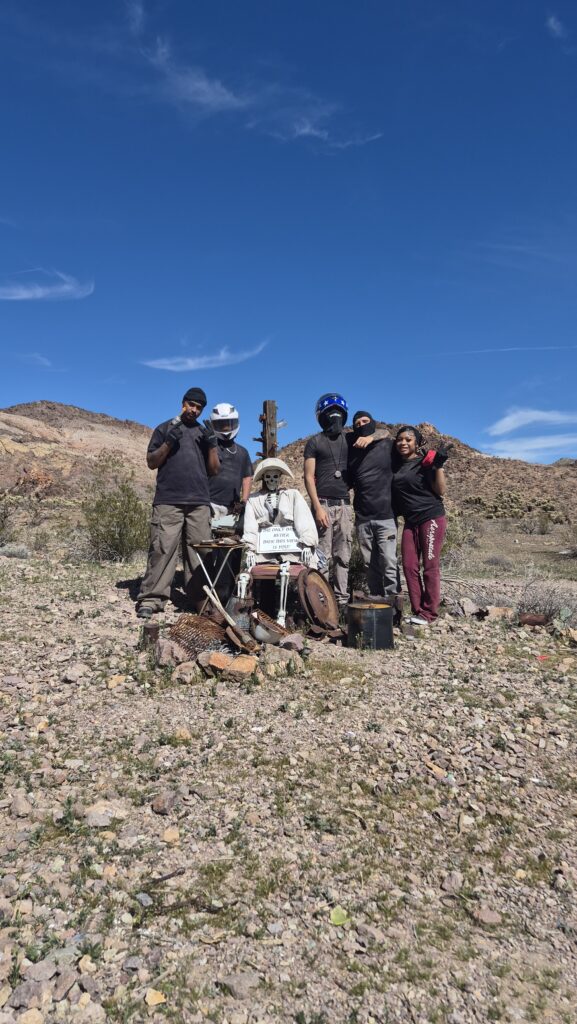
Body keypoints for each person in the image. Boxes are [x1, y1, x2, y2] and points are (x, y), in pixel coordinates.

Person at [136, 387, 220, 619]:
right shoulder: (164, 429)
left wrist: (212, 444)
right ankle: (152, 599)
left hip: (199, 501)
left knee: (201, 553)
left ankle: (201, 599)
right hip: (168, 500)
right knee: (162, 548)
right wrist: (169, 443)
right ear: (183, 403)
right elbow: (151, 462)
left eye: (198, 407)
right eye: (191, 405)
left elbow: (214, 469)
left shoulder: (204, 434)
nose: (194, 410)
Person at [392, 426, 450, 625]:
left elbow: (440, 490)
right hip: (410, 521)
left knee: (430, 566)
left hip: (431, 517)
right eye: (400, 439)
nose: (403, 443)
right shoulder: (396, 465)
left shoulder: (425, 463)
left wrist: (439, 465)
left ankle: (429, 613)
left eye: (408, 439)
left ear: (417, 443)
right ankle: (418, 611)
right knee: (409, 566)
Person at [304, 393, 352, 610]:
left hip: (344, 505)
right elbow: (308, 476)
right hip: (323, 504)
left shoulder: (350, 439)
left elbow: (379, 433)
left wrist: (369, 436)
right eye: (330, 413)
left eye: (338, 413)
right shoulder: (314, 441)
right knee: (321, 555)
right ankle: (322, 602)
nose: (334, 417)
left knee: (343, 555)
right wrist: (317, 507)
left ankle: (341, 601)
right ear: (321, 416)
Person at [346, 410, 397, 598]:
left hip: (386, 516)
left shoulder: (387, 445)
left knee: (389, 562)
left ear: (373, 422)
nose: (361, 425)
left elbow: (386, 432)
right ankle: (377, 602)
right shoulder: (351, 447)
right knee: (370, 564)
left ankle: (394, 604)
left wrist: (371, 437)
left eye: (365, 421)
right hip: (363, 518)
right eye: (357, 423)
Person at [207, 402, 253, 605]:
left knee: (233, 550)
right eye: (222, 425)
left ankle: (229, 591)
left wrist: (244, 501)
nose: (226, 429)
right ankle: (208, 589)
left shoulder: (242, 452)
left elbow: (247, 477)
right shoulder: (209, 447)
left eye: (229, 424)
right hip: (210, 504)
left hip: (233, 509)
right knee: (208, 548)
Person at [243, 459, 318, 569]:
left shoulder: (293, 495)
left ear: (280, 478)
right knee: (251, 572)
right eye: (268, 477)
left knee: (307, 568)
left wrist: (307, 543)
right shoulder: (253, 500)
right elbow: (250, 527)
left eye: (275, 477)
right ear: (264, 478)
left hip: (292, 550)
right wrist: (250, 549)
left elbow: (303, 519)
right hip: (264, 552)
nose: (272, 480)